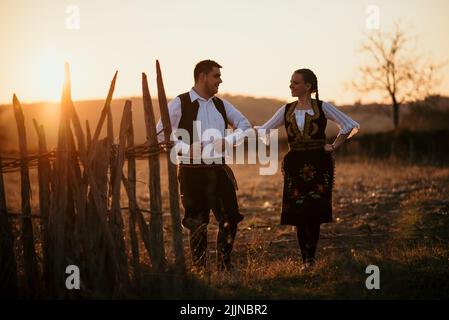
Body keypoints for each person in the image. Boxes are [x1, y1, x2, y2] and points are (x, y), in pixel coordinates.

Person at [256, 68, 360, 269]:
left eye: (295, 82)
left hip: (319, 164)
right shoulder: (286, 110)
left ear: (308, 86)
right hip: (295, 165)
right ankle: (306, 259)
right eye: (291, 82)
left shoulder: (322, 107)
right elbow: (264, 129)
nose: (291, 86)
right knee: (298, 210)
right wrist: (237, 133)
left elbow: (348, 125)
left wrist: (333, 145)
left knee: (314, 210)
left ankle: (310, 258)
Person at [156, 60, 251, 272]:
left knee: (230, 218)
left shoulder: (222, 105)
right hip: (191, 172)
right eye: (216, 76)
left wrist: (227, 141)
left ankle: (224, 267)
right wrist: (187, 149)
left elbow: (245, 126)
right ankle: (201, 270)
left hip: (219, 169)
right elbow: (161, 135)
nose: (220, 80)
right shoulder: (179, 103)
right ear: (202, 76)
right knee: (197, 223)